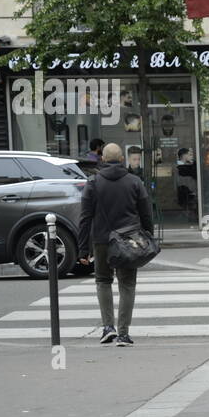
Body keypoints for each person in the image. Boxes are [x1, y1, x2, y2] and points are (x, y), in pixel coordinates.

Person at [77, 141, 154, 347]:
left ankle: (107, 327)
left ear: (102, 159)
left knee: (103, 281)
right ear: (122, 160)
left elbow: (85, 218)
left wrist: (83, 248)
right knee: (127, 285)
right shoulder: (134, 181)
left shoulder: (92, 183)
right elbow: (146, 213)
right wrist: (149, 237)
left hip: (101, 240)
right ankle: (123, 334)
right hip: (129, 240)